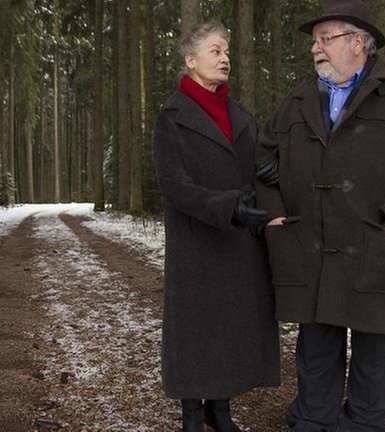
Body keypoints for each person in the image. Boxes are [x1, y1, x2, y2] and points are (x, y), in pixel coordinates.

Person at [255, 0, 385, 431]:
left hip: (373, 243)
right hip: (309, 244)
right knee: (317, 346)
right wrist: (272, 215)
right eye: (314, 41)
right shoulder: (297, 100)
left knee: (372, 351)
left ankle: (363, 423)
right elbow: (261, 162)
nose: (315, 49)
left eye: (326, 38)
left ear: (358, 41)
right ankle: (314, 420)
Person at [153, 21, 280, 432]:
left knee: (229, 325)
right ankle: (192, 412)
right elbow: (173, 185)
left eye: (226, 51)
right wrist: (227, 207)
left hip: (238, 242)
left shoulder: (241, 114)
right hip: (197, 239)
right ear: (190, 61)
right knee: (195, 328)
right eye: (214, 50)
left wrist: (271, 183)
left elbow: (259, 170)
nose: (225, 58)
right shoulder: (172, 116)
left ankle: (220, 408)